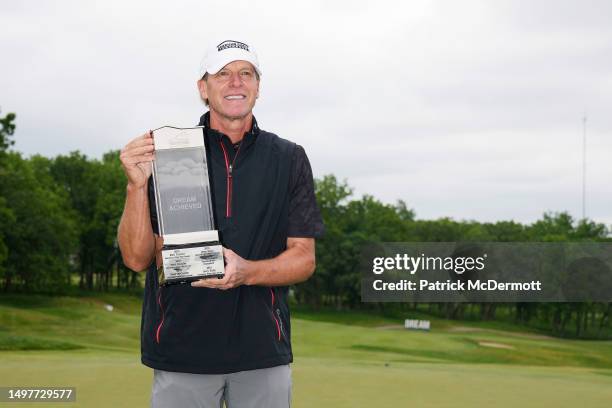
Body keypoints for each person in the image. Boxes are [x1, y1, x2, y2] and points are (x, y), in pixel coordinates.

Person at [117, 39, 324, 407]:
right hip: (182, 351)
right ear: (203, 87)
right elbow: (137, 258)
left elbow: (304, 258)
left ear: (258, 87)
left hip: (262, 353)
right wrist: (137, 185)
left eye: (246, 74)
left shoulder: (289, 158)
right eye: (223, 74)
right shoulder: (169, 151)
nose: (236, 83)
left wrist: (247, 271)